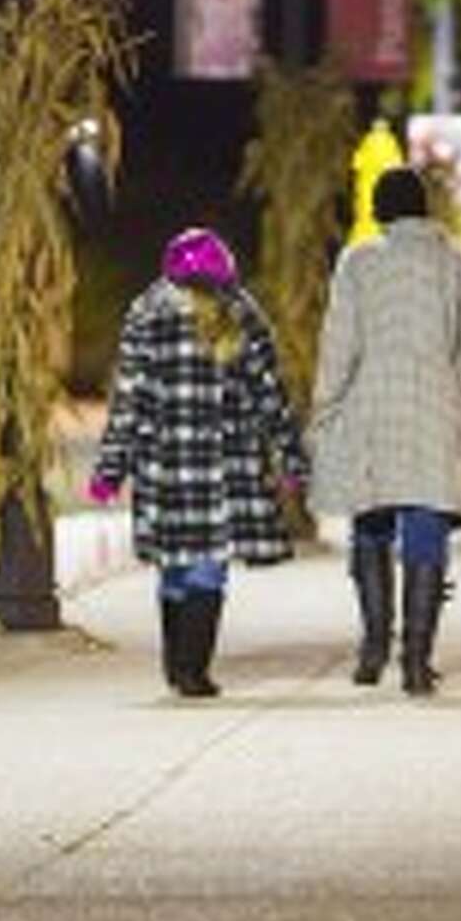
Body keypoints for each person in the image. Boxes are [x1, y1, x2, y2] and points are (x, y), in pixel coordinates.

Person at [308, 165, 461, 697]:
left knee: (371, 524)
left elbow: (338, 347)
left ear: (380, 211)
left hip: (371, 408)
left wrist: (324, 413)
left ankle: (373, 648)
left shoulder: (357, 263)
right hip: (436, 411)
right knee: (426, 528)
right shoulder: (458, 266)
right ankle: (415, 660)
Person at [88, 227, 307, 698]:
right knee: (209, 567)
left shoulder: (146, 313)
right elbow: (270, 396)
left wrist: (110, 470)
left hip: (163, 466)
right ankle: (193, 670)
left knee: (175, 567)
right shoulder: (243, 314)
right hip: (224, 466)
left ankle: (177, 666)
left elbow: (128, 400)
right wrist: (291, 459)